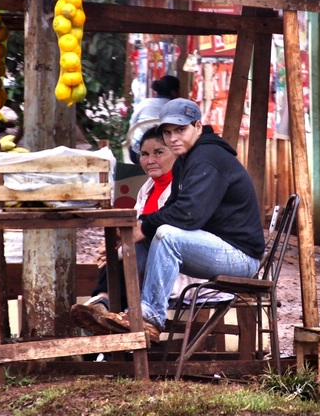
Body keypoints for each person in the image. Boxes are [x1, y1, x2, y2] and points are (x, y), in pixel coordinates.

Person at [92, 98, 265, 342]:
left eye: (180, 130)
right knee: (142, 237)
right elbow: (174, 205)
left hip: (240, 258)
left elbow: (188, 214)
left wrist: (146, 225)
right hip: (214, 248)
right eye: (168, 132)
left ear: (198, 126)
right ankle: (123, 312)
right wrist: (136, 228)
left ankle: (149, 317)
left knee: (166, 234)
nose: (173, 138)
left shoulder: (208, 157)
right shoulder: (188, 157)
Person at [70, 126, 174, 331]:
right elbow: (132, 228)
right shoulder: (147, 188)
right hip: (140, 258)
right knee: (117, 252)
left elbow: (157, 230)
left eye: (158, 152)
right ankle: (103, 307)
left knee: (124, 253)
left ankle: (102, 303)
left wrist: (116, 250)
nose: (150, 159)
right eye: (145, 154)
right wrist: (113, 248)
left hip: (167, 264)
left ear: (176, 154)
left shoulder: (181, 187)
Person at [127, 75, 179, 164]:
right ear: (174, 92)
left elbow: (132, 124)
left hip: (137, 153)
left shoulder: (144, 103)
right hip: (166, 156)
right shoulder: (177, 106)